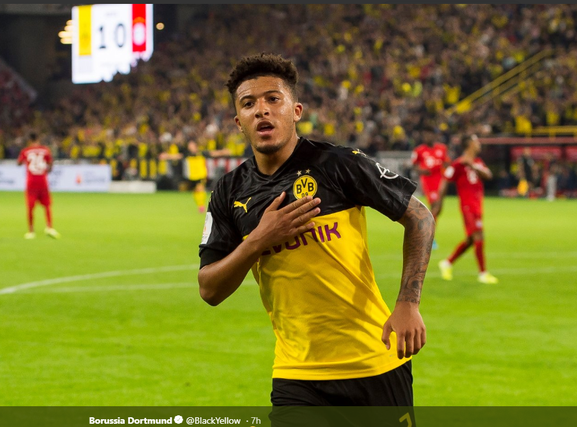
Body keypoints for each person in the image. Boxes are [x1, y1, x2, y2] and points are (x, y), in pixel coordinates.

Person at [198, 53, 435, 410]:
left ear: (295, 110)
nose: (261, 110)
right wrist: (259, 240)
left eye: (272, 99)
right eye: (249, 104)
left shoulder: (338, 164)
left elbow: (420, 218)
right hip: (297, 375)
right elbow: (209, 289)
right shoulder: (229, 192)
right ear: (238, 122)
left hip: (373, 363)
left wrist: (407, 303)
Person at [431, 134, 498, 284]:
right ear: (469, 145)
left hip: (477, 206)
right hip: (467, 206)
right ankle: (483, 273)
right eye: (476, 141)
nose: (479, 144)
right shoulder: (458, 164)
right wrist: (439, 203)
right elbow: (445, 181)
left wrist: (473, 165)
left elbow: (488, 175)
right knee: (479, 235)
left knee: (470, 239)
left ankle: (447, 263)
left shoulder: (477, 162)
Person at [159, 140, 230, 213]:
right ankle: (200, 205)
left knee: (200, 189)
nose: (190, 147)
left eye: (191, 145)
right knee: (195, 192)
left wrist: (223, 152)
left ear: (195, 146)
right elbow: (177, 156)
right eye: (189, 146)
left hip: (200, 175)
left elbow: (213, 153)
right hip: (192, 176)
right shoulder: (187, 154)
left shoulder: (201, 153)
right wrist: (167, 156)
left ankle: (202, 206)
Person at [411, 124, 450, 250]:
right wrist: (421, 170)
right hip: (428, 180)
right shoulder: (419, 150)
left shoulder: (442, 148)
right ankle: (428, 236)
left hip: (440, 180)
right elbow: (414, 166)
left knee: (439, 209)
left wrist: (447, 168)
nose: (427, 136)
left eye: (430, 134)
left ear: (435, 135)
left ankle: (427, 231)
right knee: (435, 205)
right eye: (425, 134)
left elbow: (447, 162)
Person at [17, 132, 60, 239]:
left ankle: (31, 231)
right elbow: (50, 163)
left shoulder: (26, 151)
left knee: (30, 207)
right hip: (43, 181)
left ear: (29, 141)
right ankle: (49, 227)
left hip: (31, 182)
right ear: (38, 139)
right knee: (47, 205)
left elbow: (18, 163)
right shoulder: (45, 150)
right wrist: (48, 170)